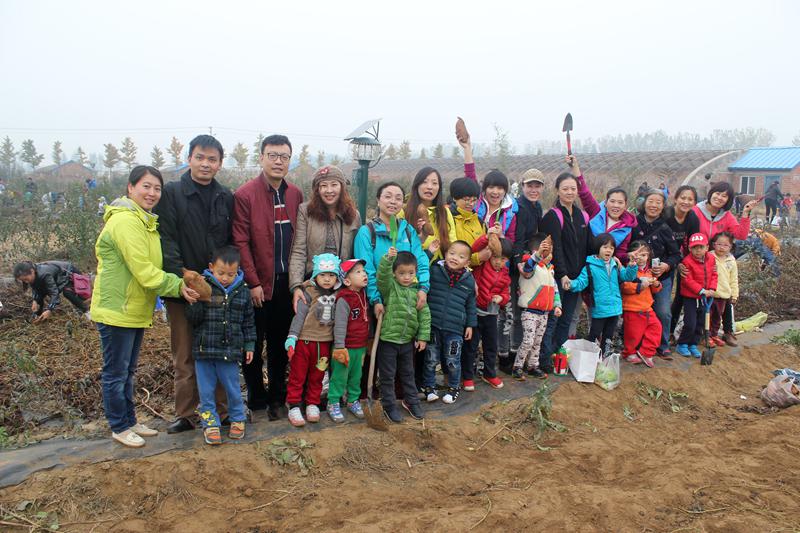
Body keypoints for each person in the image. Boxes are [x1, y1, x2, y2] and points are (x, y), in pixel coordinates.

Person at [91, 166, 197, 448]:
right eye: (146, 186)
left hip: (134, 309)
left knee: (127, 371)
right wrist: (178, 285)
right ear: (130, 188)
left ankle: (129, 421)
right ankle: (119, 426)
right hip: (117, 309)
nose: (152, 193)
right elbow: (144, 271)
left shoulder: (145, 221)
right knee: (115, 373)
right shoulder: (125, 222)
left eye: (157, 188)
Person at [153, 134, 234, 434]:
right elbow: (165, 239)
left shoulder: (225, 196)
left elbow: (230, 241)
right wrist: (182, 275)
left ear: (220, 164)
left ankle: (222, 411)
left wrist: (224, 278)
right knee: (185, 354)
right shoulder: (172, 193)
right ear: (189, 159)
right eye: (200, 157)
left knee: (219, 350)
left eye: (212, 159)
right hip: (182, 289)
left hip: (217, 287)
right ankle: (186, 414)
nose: (205, 164)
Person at [233, 134, 303, 421]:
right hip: (259, 284)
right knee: (252, 343)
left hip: (287, 283)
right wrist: (252, 282)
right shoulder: (245, 195)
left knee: (280, 344)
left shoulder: (295, 194)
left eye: (284, 156)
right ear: (261, 157)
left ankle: (277, 396)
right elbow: (241, 241)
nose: (278, 161)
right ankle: (256, 398)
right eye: (272, 155)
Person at [184, 246, 255, 445]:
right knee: (206, 391)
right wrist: (194, 303)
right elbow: (193, 319)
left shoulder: (243, 291)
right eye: (221, 273)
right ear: (211, 268)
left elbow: (248, 321)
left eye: (231, 274)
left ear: (238, 271)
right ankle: (210, 423)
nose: (225, 278)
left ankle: (237, 418)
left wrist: (249, 344)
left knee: (233, 388)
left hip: (230, 351)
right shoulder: (203, 287)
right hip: (204, 350)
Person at [460, 136, 518, 361]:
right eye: (491, 187)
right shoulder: (476, 205)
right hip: (473, 265)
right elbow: (470, 178)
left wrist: (501, 241)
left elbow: (511, 243)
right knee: (470, 316)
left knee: (492, 318)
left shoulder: (510, 212)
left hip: (494, 273)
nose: (495, 192)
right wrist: (467, 149)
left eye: (500, 188)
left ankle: (490, 361)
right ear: (484, 189)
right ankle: (469, 362)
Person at [538, 171, 592, 373]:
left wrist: (584, 275)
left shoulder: (582, 216)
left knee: (567, 318)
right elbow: (556, 248)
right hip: (558, 278)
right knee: (553, 318)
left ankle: (557, 356)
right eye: (565, 188)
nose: (570, 192)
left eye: (573, 188)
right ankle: (543, 358)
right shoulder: (553, 217)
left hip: (576, 279)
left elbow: (587, 246)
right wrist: (562, 274)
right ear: (557, 191)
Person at [353, 182, 430, 318]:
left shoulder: (408, 230)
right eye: (388, 197)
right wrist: (376, 299)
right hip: (380, 303)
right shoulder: (366, 232)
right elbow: (366, 269)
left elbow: (421, 260)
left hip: (407, 301)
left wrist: (423, 288)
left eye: (398, 198)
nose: (393, 201)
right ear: (378, 200)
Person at [289, 165, 360, 312]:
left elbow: (356, 255)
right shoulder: (305, 212)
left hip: (342, 283)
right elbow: (299, 251)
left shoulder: (354, 215)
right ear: (317, 190)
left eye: (334, 185)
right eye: (323, 186)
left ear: (342, 187)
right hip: (313, 282)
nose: (329, 190)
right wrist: (296, 286)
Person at [284, 253, 340, 427]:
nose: (327, 279)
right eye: (323, 275)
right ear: (316, 275)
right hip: (304, 342)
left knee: (318, 375)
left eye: (331, 275)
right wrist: (292, 337)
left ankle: (312, 403)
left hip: (324, 344)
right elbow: (299, 316)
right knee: (298, 375)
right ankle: (294, 405)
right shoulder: (307, 291)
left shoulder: (338, 294)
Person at [376, 248, 431, 423]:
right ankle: (388, 405)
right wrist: (388, 259)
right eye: (402, 273)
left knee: (408, 373)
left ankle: (411, 401)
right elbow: (382, 277)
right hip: (388, 341)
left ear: (415, 273)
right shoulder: (390, 288)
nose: (406, 277)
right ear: (394, 273)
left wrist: (422, 337)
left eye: (410, 273)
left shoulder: (417, 293)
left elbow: (425, 316)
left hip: (407, 341)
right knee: (388, 376)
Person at [422, 240, 477, 404]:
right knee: (431, 358)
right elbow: (419, 267)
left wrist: (470, 325)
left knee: (453, 360)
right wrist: (429, 253)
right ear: (445, 254)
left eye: (460, 256)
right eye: (452, 253)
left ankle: (454, 387)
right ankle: (429, 387)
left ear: (467, 262)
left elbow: (471, 304)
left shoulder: (469, 280)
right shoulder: (435, 270)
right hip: (433, 324)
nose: (454, 258)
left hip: (455, 328)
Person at [564, 233, 639, 350]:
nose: (608, 250)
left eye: (611, 248)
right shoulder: (590, 266)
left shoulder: (615, 264)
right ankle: (590, 357)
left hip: (615, 308)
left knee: (608, 338)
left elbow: (627, 276)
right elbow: (581, 282)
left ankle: (604, 358)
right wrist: (570, 284)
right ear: (598, 248)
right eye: (605, 247)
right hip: (600, 309)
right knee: (594, 335)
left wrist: (632, 266)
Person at [631, 189, 680, 358]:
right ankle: (635, 345)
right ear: (643, 203)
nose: (654, 205)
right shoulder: (634, 223)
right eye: (651, 201)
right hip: (637, 277)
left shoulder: (665, 227)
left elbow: (676, 255)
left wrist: (666, 266)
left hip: (660, 278)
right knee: (637, 312)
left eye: (658, 202)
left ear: (663, 206)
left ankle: (662, 345)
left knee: (663, 311)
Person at [571, 155, 637, 262]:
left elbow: (620, 253)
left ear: (625, 205)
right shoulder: (596, 212)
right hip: (584, 263)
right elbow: (584, 192)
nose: (616, 205)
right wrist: (575, 167)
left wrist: (628, 256)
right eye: (612, 201)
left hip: (605, 268)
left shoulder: (627, 228)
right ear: (606, 203)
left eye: (620, 202)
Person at [514, 233, 561, 380]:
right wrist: (538, 255)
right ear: (537, 251)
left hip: (544, 313)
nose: (549, 255)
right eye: (546, 251)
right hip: (529, 311)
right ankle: (517, 366)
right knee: (528, 341)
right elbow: (527, 270)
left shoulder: (550, 269)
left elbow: (555, 290)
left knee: (537, 342)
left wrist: (557, 305)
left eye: (551, 251)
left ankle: (533, 366)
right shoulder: (528, 263)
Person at [329, 259, 370, 423]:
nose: (364, 274)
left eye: (364, 271)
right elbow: (340, 324)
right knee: (340, 377)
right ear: (346, 281)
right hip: (345, 347)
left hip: (360, 346)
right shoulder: (344, 299)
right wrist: (339, 347)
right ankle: (333, 402)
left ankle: (353, 400)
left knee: (356, 376)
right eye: (358, 272)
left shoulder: (363, 295)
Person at [467, 235, 509, 389]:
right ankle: (467, 376)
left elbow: (506, 293)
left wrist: (501, 298)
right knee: (471, 346)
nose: (498, 261)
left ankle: (489, 374)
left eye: (503, 259)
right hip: (476, 312)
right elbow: (474, 249)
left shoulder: (505, 273)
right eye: (495, 257)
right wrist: (488, 236)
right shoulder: (482, 265)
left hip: (492, 314)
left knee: (491, 346)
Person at [666, 185, 701, 344]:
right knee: (662, 296)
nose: (686, 202)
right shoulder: (666, 214)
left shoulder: (692, 218)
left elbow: (693, 244)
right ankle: (657, 333)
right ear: (675, 199)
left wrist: (687, 263)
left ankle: (670, 331)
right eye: (683, 198)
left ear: (694, 202)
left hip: (679, 257)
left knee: (681, 294)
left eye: (690, 199)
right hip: (663, 257)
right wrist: (676, 261)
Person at [676, 233, 718, 358]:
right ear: (690, 248)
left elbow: (714, 275)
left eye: (701, 247)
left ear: (707, 247)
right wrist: (701, 290)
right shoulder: (687, 261)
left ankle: (693, 344)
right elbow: (687, 280)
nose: (698, 250)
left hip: (706, 297)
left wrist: (712, 288)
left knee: (701, 322)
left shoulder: (711, 259)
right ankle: (682, 344)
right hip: (691, 297)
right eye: (694, 247)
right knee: (690, 322)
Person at [621, 241, 662, 367]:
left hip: (647, 308)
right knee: (633, 334)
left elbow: (655, 290)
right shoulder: (628, 270)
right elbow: (625, 287)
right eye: (638, 255)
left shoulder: (649, 271)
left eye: (644, 255)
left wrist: (656, 284)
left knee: (656, 328)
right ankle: (629, 353)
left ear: (648, 256)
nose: (641, 258)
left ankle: (646, 352)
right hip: (632, 308)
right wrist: (640, 286)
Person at [404, 167, 457, 262]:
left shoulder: (445, 211)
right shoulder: (404, 211)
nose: (429, 187)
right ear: (416, 185)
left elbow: (452, 242)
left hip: (441, 266)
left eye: (434, 183)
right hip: (414, 266)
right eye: (424, 182)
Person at [14, 260, 89, 321]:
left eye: (26, 279)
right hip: (58, 276)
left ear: (32, 271)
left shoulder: (44, 274)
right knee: (40, 294)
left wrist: (49, 310)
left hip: (68, 273)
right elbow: (36, 289)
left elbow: (54, 293)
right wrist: (35, 301)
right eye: (23, 280)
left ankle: (87, 311)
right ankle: (38, 315)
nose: (26, 282)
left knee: (67, 292)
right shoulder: (33, 273)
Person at [708, 232, 739, 348]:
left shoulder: (731, 260)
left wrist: (734, 294)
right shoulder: (709, 257)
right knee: (708, 316)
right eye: (719, 244)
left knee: (717, 317)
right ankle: (707, 335)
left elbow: (734, 279)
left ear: (730, 247)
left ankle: (714, 335)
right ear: (713, 244)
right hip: (711, 293)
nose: (722, 247)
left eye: (726, 245)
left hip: (724, 294)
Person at [448, 177, 486, 266]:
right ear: (455, 198)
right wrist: (477, 258)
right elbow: (449, 254)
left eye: (474, 200)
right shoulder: (448, 219)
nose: (471, 204)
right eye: (467, 200)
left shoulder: (479, 221)